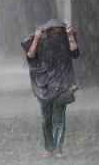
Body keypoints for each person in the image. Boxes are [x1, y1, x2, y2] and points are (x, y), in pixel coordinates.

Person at [24, 19, 80, 159]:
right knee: (45, 119)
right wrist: (36, 39)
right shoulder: (41, 42)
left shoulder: (66, 42)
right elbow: (30, 56)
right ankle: (48, 148)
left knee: (59, 118)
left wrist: (70, 35)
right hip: (43, 85)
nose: (56, 36)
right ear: (47, 33)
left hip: (62, 84)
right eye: (53, 32)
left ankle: (58, 149)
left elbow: (75, 53)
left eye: (58, 32)